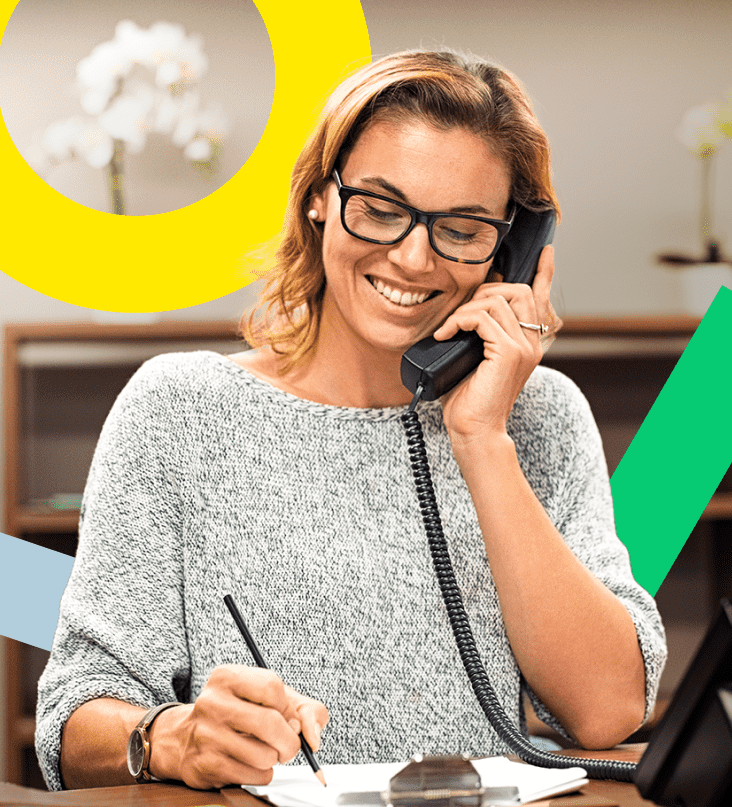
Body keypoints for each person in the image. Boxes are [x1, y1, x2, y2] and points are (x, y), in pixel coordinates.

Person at [34, 49, 666, 792]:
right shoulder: (179, 409)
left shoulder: (538, 416)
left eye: (463, 228)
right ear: (319, 198)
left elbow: (606, 711)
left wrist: (481, 438)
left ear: (514, 249)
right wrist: (171, 738)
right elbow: (71, 722)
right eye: (381, 209)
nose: (414, 258)